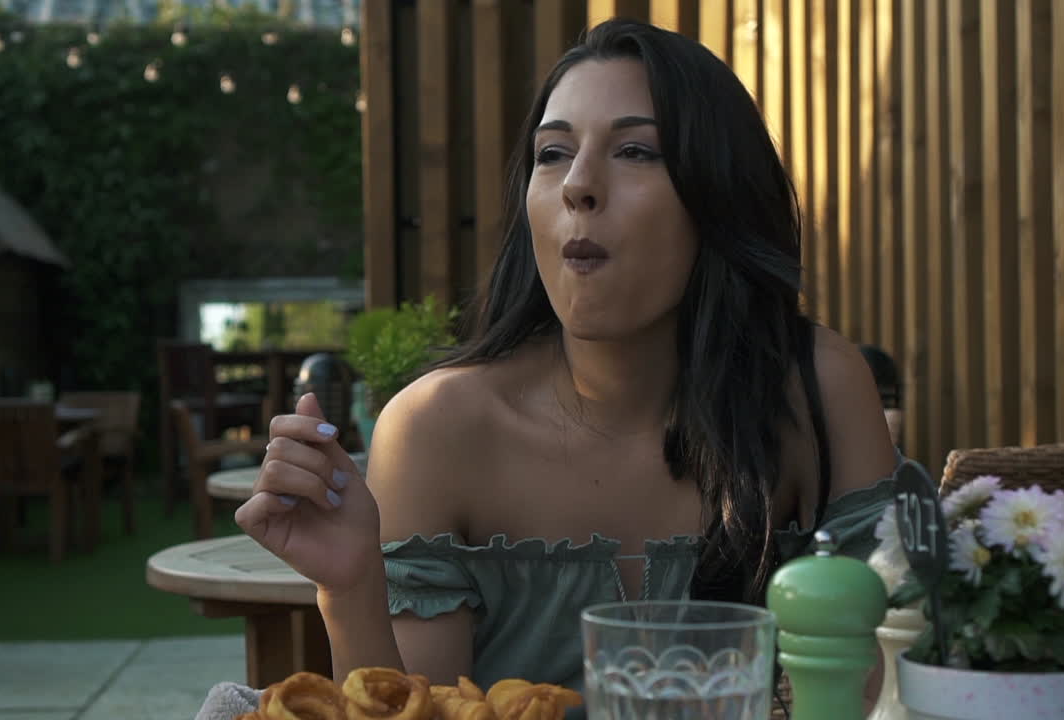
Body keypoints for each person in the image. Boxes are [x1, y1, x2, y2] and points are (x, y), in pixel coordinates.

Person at [235, 17, 908, 710]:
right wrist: (351, 592)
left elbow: (877, 677)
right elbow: (417, 706)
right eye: (552, 154)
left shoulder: (816, 387)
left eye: (637, 152)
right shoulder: (435, 427)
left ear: (719, 193)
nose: (578, 186)